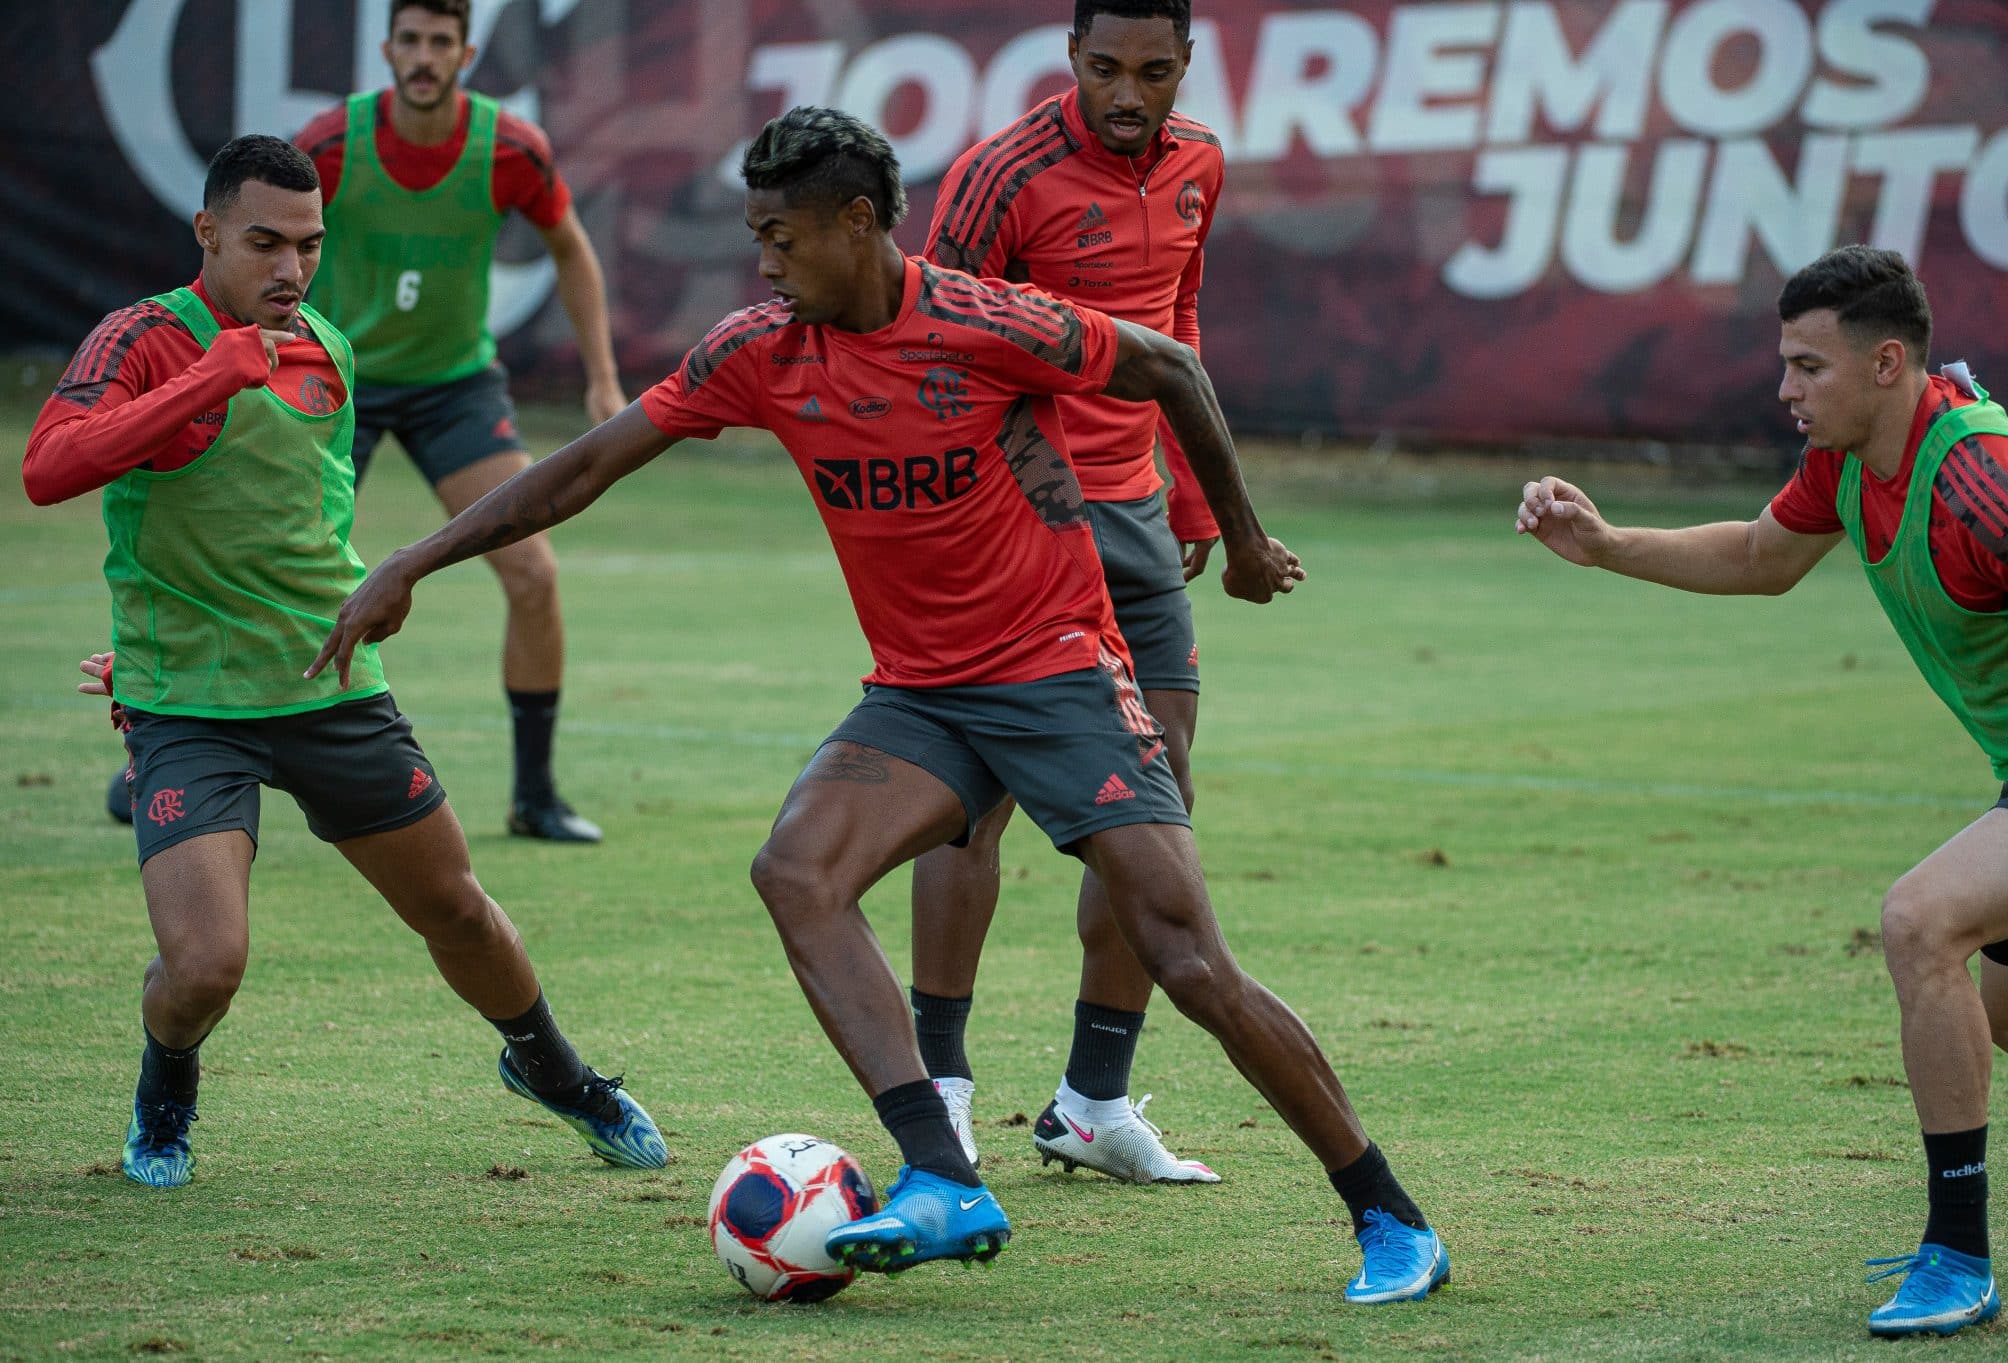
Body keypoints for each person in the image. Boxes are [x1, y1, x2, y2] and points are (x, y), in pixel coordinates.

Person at [310, 106, 1450, 1303]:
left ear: (857, 223)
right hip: (919, 694)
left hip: (1058, 672)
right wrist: (410, 563)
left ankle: (1389, 1216)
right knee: (795, 870)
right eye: (754, 236)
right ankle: (943, 1174)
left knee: (1184, 956)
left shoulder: (980, 320)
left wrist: (1247, 540)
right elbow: (584, 465)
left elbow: (1168, 365)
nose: (764, 262)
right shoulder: (759, 350)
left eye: (780, 237)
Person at [23, 134, 665, 1188]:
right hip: (188, 706)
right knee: (205, 966)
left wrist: (371, 591)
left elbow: (300, 523)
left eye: (310, 246)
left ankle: (554, 1071)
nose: (290, 269)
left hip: (329, 689)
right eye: (264, 243)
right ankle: (167, 1081)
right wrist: (207, 382)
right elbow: (48, 469)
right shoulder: (143, 337)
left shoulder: (328, 347)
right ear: (208, 232)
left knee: (456, 907)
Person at [1516, 244, 2008, 1338]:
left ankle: (1957, 1253)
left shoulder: (1993, 484)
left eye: (1807, 366)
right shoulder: (1854, 463)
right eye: (1783, 364)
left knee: (1920, 918)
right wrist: (1606, 544)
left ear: (1886, 363)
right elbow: (1761, 557)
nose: (1783, 389)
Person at [910, 0, 1224, 1183]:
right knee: (970, 801)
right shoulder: (1001, 176)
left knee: (1158, 807)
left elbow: (1176, 323)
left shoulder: (1199, 163)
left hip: (1137, 521)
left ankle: (1090, 1101)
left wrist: (1189, 498)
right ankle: (939, 1085)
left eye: (1153, 69)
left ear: (1186, 62)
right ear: (1069, 58)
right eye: (1104, 68)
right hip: (1013, 527)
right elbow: (930, 347)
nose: (1128, 93)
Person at [290, 0, 625, 841]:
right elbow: (254, 248)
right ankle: (157, 752)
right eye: (412, 41)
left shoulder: (510, 148)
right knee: (254, 568)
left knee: (535, 578)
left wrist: (603, 379)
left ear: (467, 52)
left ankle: (536, 796)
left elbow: (573, 248)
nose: (426, 57)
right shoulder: (327, 146)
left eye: (442, 43)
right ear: (387, 49)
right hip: (337, 378)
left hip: (455, 389)